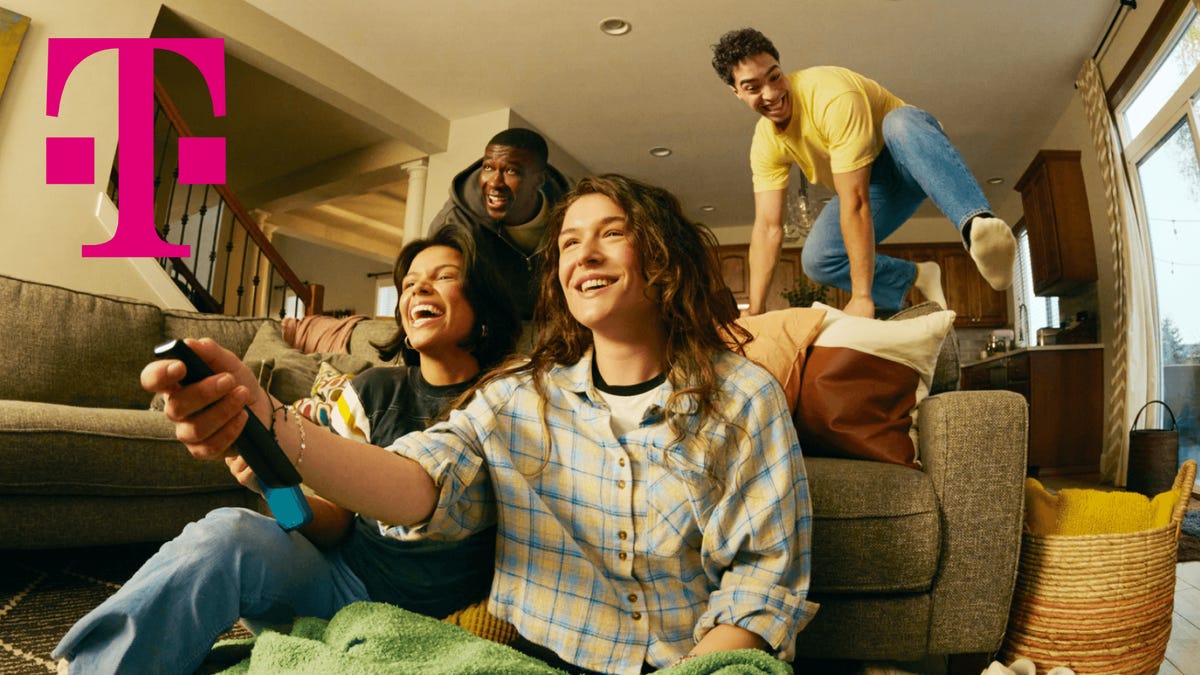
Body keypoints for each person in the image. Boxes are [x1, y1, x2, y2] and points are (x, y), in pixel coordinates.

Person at [112, 174, 816, 674]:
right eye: (570, 242)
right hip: (484, 633)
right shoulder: (500, 393)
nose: (585, 254)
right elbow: (414, 484)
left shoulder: (742, 396)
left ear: (661, 256)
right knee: (230, 538)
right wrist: (268, 428)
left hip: (671, 654)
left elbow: (761, 585)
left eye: (612, 234)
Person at [51, 226, 521, 674]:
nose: (418, 289)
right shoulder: (374, 391)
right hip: (343, 588)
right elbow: (334, 525)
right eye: (410, 283)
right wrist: (272, 486)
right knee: (227, 531)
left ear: (482, 300)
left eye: (443, 277)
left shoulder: (509, 402)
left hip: (439, 616)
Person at [711, 27, 1017, 318]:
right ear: (736, 92)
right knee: (817, 259)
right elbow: (767, 227)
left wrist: (861, 297)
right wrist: (755, 310)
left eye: (775, 76)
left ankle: (978, 226)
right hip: (875, 185)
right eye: (753, 88)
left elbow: (854, 201)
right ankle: (917, 275)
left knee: (899, 121)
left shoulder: (831, 96)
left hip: (911, 157)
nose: (771, 93)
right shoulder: (765, 142)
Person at [429, 127, 571, 320]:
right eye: (488, 168)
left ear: (538, 181)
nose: (495, 182)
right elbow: (437, 297)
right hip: (489, 325)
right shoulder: (453, 224)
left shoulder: (571, 216)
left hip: (553, 324)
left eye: (511, 171)